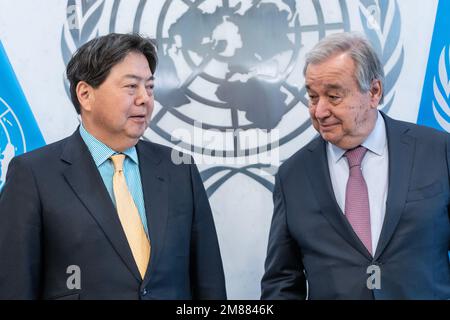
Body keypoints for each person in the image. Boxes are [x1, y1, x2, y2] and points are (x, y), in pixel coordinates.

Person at [0, 33, 226, 300]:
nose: (145, 98)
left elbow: (209, 283)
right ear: (85, 94)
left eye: (150, 87)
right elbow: (15, 288)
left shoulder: (179, 169)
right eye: (131, 87)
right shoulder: (34, 174)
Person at [261, 32, 450, 299]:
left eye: (334, 96)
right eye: (313, 97)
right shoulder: (292, 176)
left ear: (374, 92)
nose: (319, 111)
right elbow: (282, 282)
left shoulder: (439, 151)